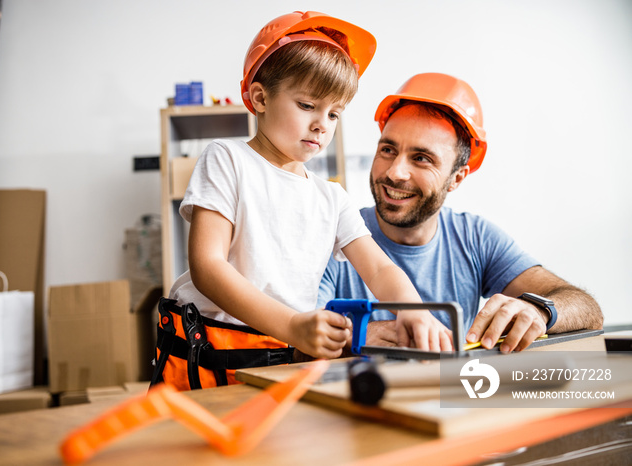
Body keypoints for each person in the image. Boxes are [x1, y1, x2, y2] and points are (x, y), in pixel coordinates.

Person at [151, 12, 445, 392]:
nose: (322, 123)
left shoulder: (331, 196)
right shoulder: (227, 159)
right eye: (308, 105)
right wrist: (292, 324)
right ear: (260, 98)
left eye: (334, 113)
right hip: (207, 350)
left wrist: (414, 310)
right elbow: (207, 266)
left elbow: (378, 271)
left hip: (285, 353)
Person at [317, 72, 603, 354]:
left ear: (457, 178)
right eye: (388, 149)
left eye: (421, 158)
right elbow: (284, 339)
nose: (395, 172)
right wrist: (354, 335)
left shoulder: (475, 239)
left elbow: (586, 309)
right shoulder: (333, 234)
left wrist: (538, 312)